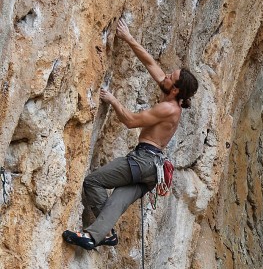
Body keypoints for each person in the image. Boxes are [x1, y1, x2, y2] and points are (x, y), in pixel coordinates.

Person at [63, 20, 198, 250]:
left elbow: (130, 121)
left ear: (175, 89)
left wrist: (113, 99)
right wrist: (128, 38)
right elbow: (150, 64)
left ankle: (100, 233)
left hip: (144, 161)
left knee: (93, 181)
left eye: (169, 77)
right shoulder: (171, 96)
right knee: (117, 201)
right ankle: (101, 234)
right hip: (152, 170)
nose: (164, 75)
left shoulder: (168, 108)